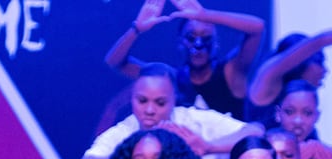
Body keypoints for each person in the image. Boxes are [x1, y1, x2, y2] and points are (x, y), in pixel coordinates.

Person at [77, 62, 263, 159]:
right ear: (132, 98)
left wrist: (208, 147)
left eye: (160, 103)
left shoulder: (194, 121)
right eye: (142, 101)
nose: (149, 110)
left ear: (174, 99)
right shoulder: (126, 130)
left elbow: (256, 132)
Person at [105, 0, 264, 121]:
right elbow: (115, 61)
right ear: (180, 42)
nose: (198, 44)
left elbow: (257, 28)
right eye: (191, 38)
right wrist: (137, 29)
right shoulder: (168, 80)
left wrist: (205, 15)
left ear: (216, 44)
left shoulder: (232, 73)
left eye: (206, 38)